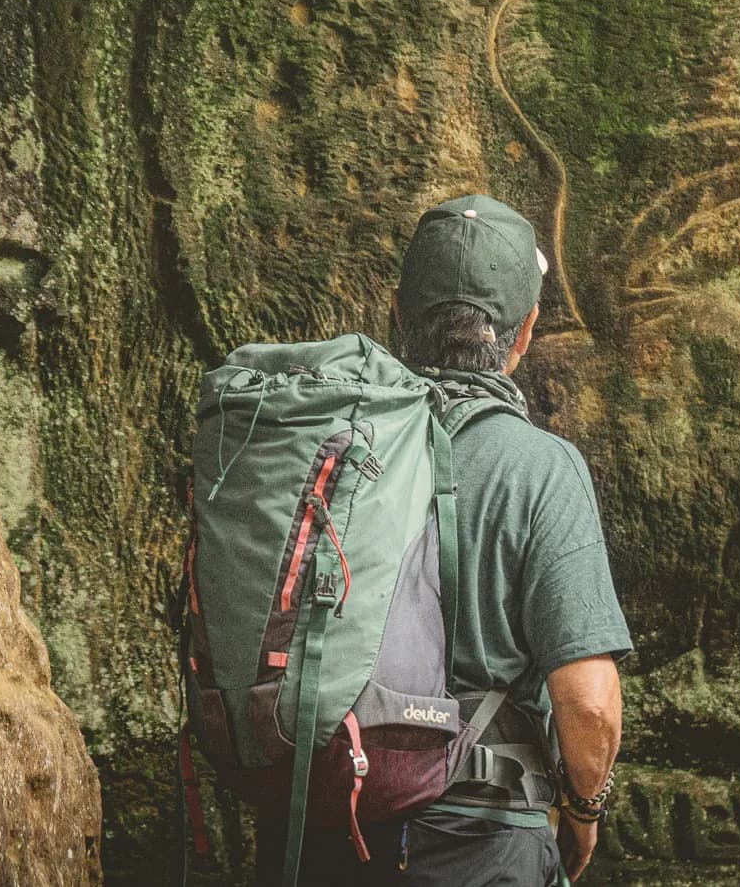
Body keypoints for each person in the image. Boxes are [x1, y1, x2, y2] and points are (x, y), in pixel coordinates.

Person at [258, 194, 633, 886]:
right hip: (478, 844)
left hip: (316, 833)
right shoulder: (540, 467)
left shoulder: (319, 448)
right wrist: (584, 808)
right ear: (522, 335)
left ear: (399, 315)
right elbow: (588, 702)